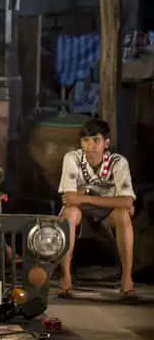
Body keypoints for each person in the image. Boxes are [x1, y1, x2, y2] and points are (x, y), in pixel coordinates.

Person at [56, 118, 137, 302]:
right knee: (69, 214)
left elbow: (127, 202)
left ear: (106, 143)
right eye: (85, 140)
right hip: (82, 212)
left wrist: (83, 197)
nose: (90, 146)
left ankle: (127, 281)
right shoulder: (72, 158)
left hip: (106, 213)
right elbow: (69, 199)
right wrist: (112, 200)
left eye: (95, 140)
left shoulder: (118, 162)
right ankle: (66, 278)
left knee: (124, 215)